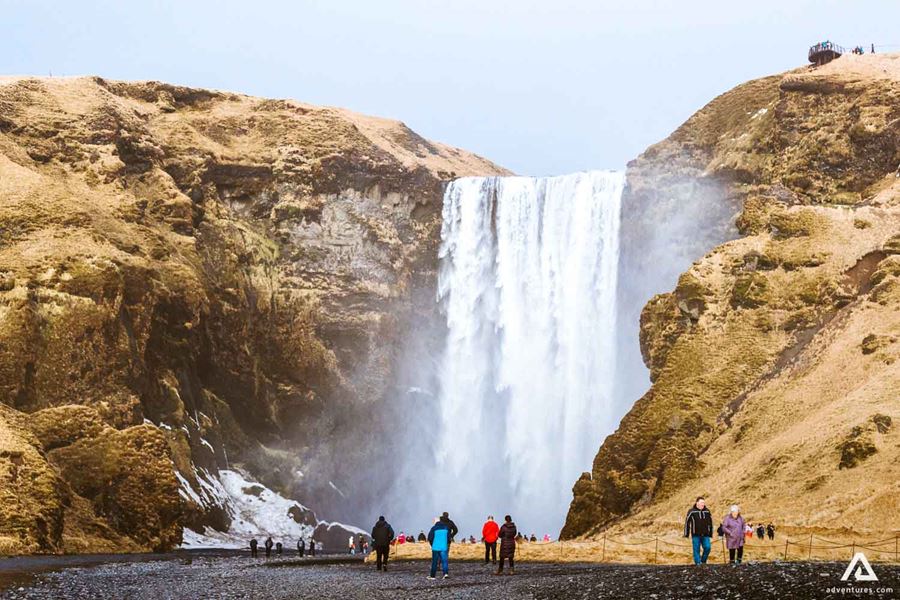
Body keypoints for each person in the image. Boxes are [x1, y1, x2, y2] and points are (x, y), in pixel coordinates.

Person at [683, 497, 713, 565]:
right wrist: (686, 534)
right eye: (701, 502)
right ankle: (698, 563)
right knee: (696, 549)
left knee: (708, 547)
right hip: (695, 534)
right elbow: (687, 522)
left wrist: (710, 533)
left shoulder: (707, 511)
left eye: (703, 502)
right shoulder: (691, 511)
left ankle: (703, 561)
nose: (703, 504)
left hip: (705, 534)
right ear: (697, 503)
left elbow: (710, 522)